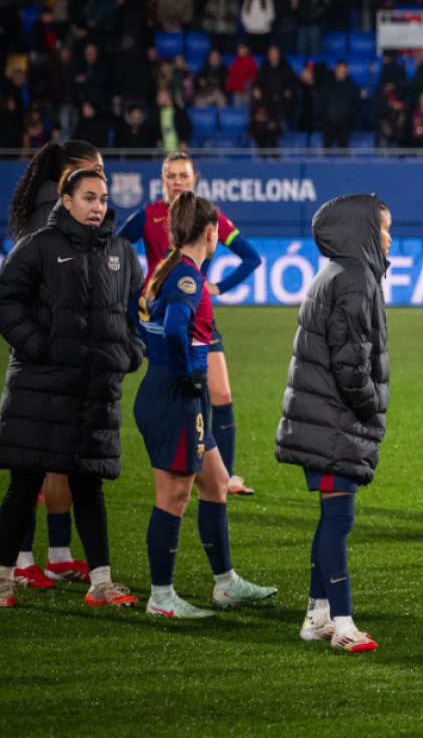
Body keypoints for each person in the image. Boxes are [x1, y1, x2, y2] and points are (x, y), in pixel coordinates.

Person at [0, 168, 144, 609]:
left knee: (90, 485)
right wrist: (39, 346)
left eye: (102, 199)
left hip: (95, 391)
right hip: (41, 390)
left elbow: (136, 313)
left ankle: (101, 582)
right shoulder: (40, 246)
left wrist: (131, 353)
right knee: (24, 484)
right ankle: (3, 578)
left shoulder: (121, 250)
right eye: (88, 198)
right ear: (66, 200)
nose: (98, 207)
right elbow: (6, 300)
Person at [132, 192, 277, 620]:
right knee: (173, 498)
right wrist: (182, 371)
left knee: (215, 483)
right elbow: (176, 327)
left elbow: (134, 314)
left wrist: (157, 356)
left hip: (172, 394)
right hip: (175, 397)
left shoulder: (166, 268)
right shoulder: (188, 278)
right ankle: (161, 597)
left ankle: (226, 585)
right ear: (211, 232)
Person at [275, 194, 393, 653]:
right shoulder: (355, 279)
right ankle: (342, 624)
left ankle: (317, 615)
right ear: (363, 230)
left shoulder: (341, 273)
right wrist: (370, 407)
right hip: (334, 422)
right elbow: (350, 365)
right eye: (383, 228)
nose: (389, 237)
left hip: (324, 419)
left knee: (332, 519)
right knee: (337, 520)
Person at [120, 153, 263, 496]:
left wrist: (219, 287)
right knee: (182, 391)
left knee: (220, 392)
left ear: (194, 178)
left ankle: (224, 477)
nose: (177, 181)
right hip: (165, 318)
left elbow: (251, 256)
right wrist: (134, 296)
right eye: (171, 176)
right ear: (163, 179)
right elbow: (116, 250)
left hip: (196, 316)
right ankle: (192, 473)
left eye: (183, 175)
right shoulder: (149, 215)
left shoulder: (207, 217)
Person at [4, 140, 106, 589]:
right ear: (69, 181)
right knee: (36, 467)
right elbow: (19, 294)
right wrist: (41, 345)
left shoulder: (57, 210)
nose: (101, 185)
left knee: (56, 466)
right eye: (94, 173)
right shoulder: (51, 217)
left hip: (60, 365)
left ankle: (53, 556)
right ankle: (23, 559)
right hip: (47, 368)